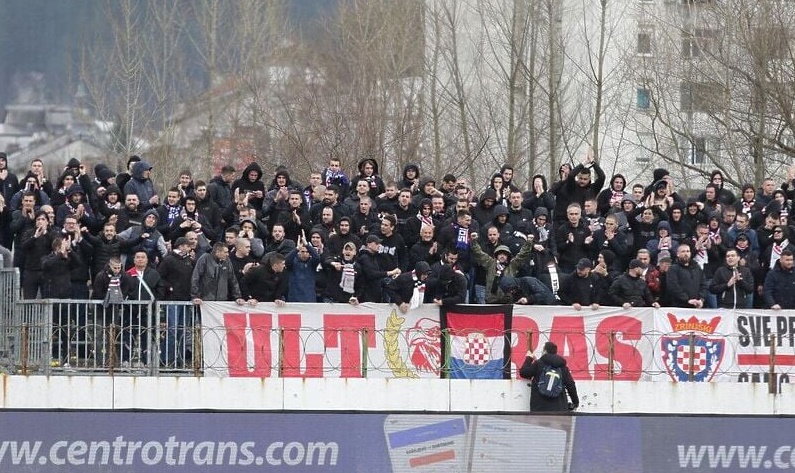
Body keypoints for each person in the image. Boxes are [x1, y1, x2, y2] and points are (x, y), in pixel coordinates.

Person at [519, 341, 579, 412]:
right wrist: (575, 403)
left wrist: (529, 358)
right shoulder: (563, 367)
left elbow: (523, 372)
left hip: (539, 408)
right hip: (560, 409)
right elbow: (571, 385)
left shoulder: (538, 364)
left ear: (545, 351)